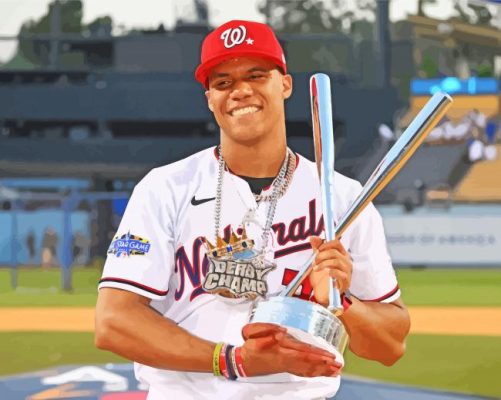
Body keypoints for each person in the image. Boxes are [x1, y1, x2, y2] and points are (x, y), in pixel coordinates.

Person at [95, 20, 410, 400]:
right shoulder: (166, 188)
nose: (240, 91)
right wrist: (233, 360)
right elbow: (114, 322)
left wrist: (343, 301)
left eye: (256, 75)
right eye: (223, 82)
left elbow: (390, 346)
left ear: (286, 84)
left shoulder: (342, 197)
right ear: (210, 98)